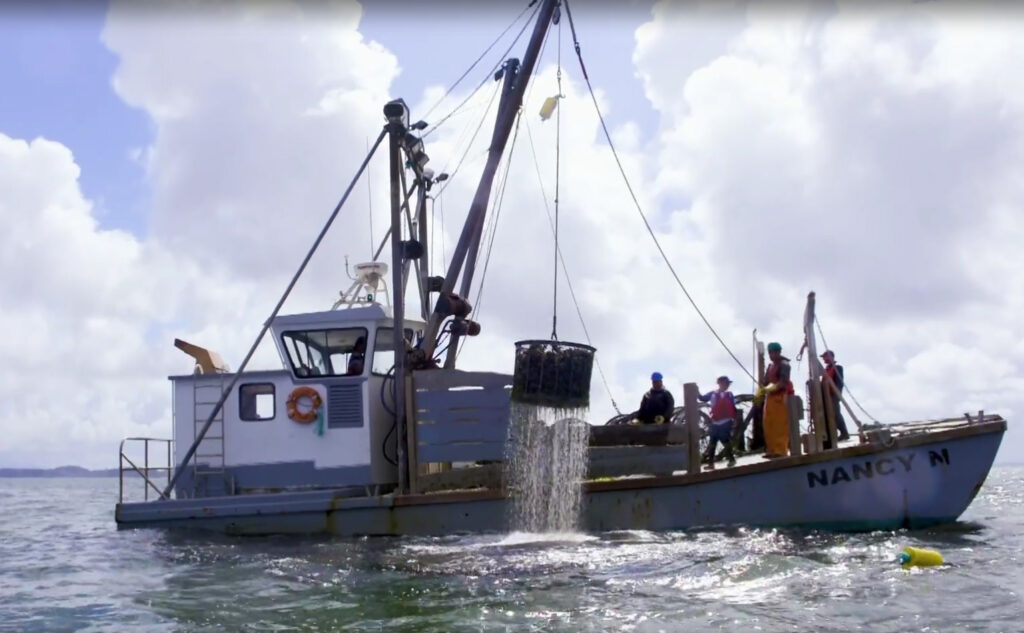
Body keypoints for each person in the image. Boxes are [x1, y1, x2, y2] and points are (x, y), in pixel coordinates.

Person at [760, 342, 794, 458]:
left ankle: (780, 450)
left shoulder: (784, 364)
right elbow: (765, 381)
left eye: (773, 352)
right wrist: (762, 389)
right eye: (770, 353)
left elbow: (784, 382)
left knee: (780, 425)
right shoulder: (770, 366)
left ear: (778, 352)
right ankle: (771, 449)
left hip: (780, 397)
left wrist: (774, 387)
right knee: (768, 423)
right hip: (770, 398)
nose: (771, 355)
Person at [699, 376, 737, 469]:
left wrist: (735, 420)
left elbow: (733, 407)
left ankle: (731, 460)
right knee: (713, 442)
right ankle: (711, 464)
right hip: (715, 422)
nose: (727, 385)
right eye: (725, 383)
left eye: (728, 384)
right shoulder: (715, 394)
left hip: (726, 421)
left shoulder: (729, 394)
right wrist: (696, 391)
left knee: (725, 441)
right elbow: (702, 398)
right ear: (720, 383)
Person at [820, 349, 850, 445]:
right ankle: (833, 434)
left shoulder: (837, 368)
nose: (824, 359)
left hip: (833, 394)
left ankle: (844, 433)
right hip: (826, 395)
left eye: (825, 356)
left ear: (831, 357)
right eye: (824, 357)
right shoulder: (826, 370)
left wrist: (837, 393)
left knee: (836, 413)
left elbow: (839, 382)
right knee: (827, 415)